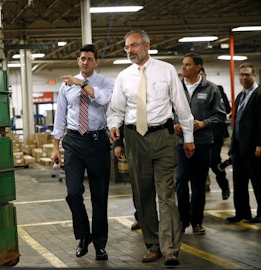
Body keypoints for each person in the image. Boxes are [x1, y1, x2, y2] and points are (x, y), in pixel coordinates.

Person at [107, 29, 195, 267]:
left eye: (133, 46)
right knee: (142, 194)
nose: (130, 51)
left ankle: (170, 249)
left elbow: (181, 106)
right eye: (126, 48)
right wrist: (115, 129)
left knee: (166, 195)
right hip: (135, 139)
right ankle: (153, 245)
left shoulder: (166, 70)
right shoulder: (124, 77)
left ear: (147, 45)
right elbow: (116, 109)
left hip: (163, 137)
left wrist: (188, 138)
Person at [51, 44, 114, 261]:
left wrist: (81, 83)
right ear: (78, 61)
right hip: (74, 142)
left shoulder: (106, 83)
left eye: (89, 59)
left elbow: (104, 100)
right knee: (73, 192)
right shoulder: (65, 87)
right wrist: (55, 146)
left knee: (99, 197)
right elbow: (60, 116)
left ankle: (100, 245)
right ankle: (83, 236)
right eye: (81, 58)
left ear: (96, 62)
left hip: (98, 143)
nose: (85, 62)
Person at [175, 53, 226, 236]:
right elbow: (168, 110)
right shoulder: (176, 88)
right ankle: (182, 220)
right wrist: (174, 124)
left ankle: (197, 222)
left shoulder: (211, 89)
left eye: (187, 65)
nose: (183, 68)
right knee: (180, 181)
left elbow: (220, 115)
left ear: (198, 67)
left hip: (203, 143)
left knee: (198, 183)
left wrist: (204, 123)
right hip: (180, 143)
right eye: (183, 64)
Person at [226, 62, 261, 224]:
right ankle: (242, 213)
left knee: (258, 182)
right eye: (242, 75)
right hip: (239, 147)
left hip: (254, 148)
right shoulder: (240, 96)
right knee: (239, 182)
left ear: (254, 76)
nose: (244, 77)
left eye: (247, 74)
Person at [200, 68, 231, 199]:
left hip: (215, 134)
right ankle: (201, 190)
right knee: (200, 164)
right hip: (199, 134)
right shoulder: (190, 92)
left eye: (202, 74)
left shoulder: (216, 88)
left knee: (214, 162)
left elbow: (226, 109)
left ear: (205, 75)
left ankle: (224, 185)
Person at [113, 125, 141, 231]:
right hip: (133, 140)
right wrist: (118, 144)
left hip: (157, 137)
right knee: (137, 182)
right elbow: (120, 117)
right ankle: (140, 217)